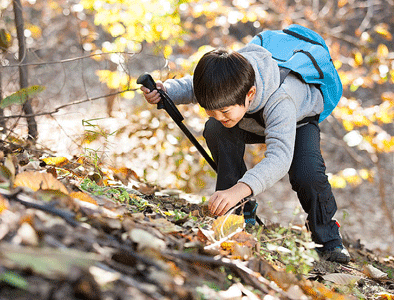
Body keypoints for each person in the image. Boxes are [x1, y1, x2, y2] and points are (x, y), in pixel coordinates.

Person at [140, 45, 350, 263]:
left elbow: (279, 159)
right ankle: (238, 213)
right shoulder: (228, 81)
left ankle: (329, 240)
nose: (218, 115)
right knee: (216, 129)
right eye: (211, 110)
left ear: (249, 94)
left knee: (307, 173)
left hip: (297, 121)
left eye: (224, 111)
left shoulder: (282, 99)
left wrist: (238, 189)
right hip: (249, 118)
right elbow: (195, 87)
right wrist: (165, 91)